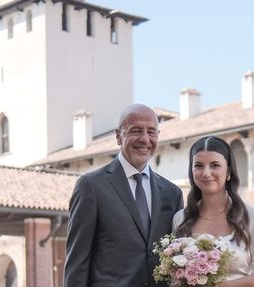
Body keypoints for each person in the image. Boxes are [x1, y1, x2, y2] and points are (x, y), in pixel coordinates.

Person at [64, 104, 184, 287]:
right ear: (118, 136)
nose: (145, 139)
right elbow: (77, 261)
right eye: (136, 130)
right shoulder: (92, 186)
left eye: (151, 132)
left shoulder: (172, 193)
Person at [173, 136, 254, 287]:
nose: (206, 173)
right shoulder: (180, 219)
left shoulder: (250, 216)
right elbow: (174, 279)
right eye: (199, 166)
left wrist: (223, 286)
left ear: (229, 172)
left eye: (214, 165)